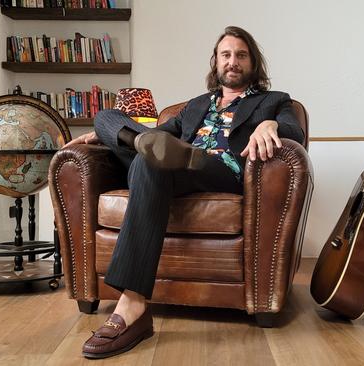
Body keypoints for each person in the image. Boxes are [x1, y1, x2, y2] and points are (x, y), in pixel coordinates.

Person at [64, 26, 304, 359]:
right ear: (215, 62)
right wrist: (113, 134)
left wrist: (271, 124)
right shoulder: (194, 106)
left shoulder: (273, 100)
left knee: (151, 160)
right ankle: (144, 148)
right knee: (115, 122)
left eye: (240, 54)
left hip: (219, 168)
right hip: (171, 163)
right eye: (226, 54)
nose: (232, 61)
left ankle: (131, 305)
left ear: (253, 63)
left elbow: (296, 133)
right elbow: (158, 139)